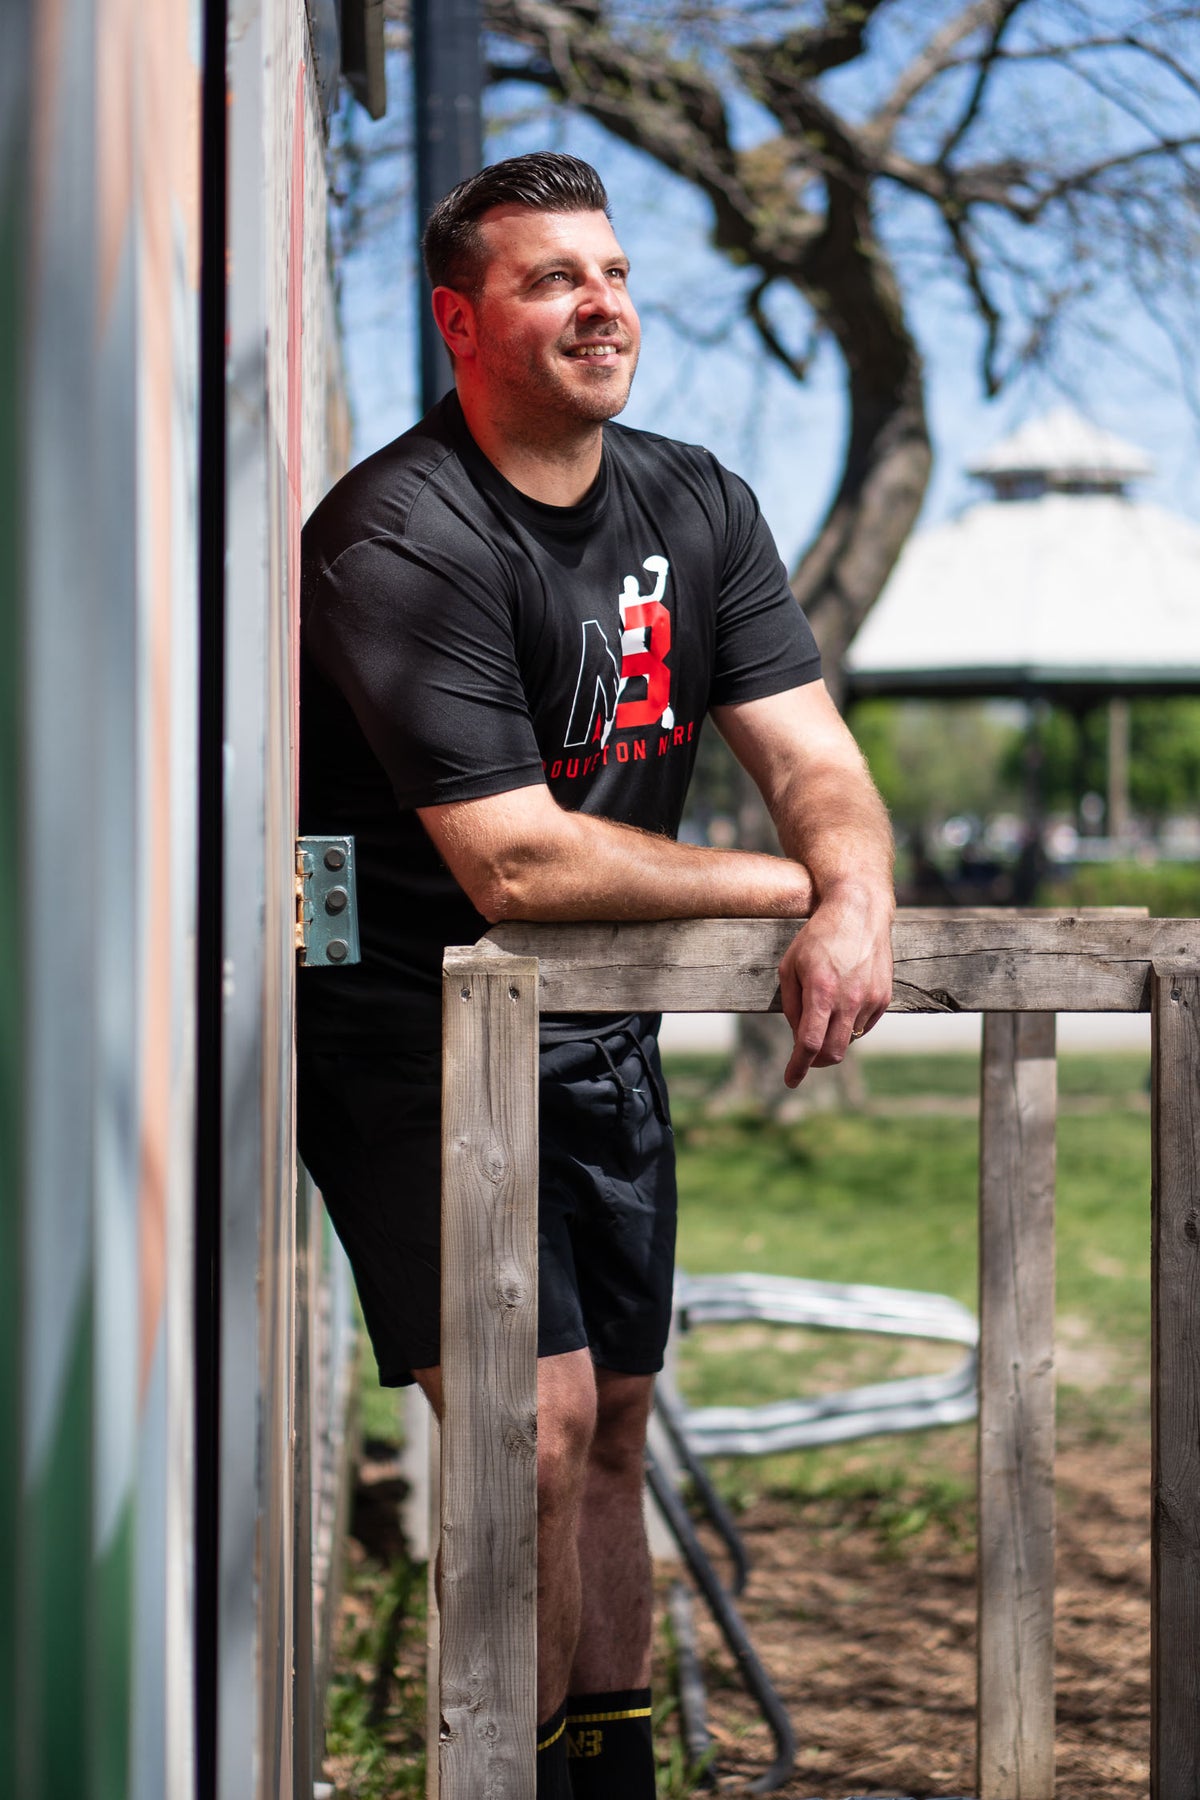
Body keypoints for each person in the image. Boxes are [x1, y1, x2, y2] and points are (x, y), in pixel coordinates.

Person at [297, 151, 894, 1799]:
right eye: (553, 278)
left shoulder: (696, 504)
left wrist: (856, 887)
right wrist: (797, 886)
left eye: (614, 273)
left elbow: (814, 758)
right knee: (534, 1430)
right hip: (410, 1041)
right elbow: (519, 863)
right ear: (460, 321)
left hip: (595, 1036)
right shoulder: (396, 534)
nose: (601, 304)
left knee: (615, 1421)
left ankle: (608, 1779)